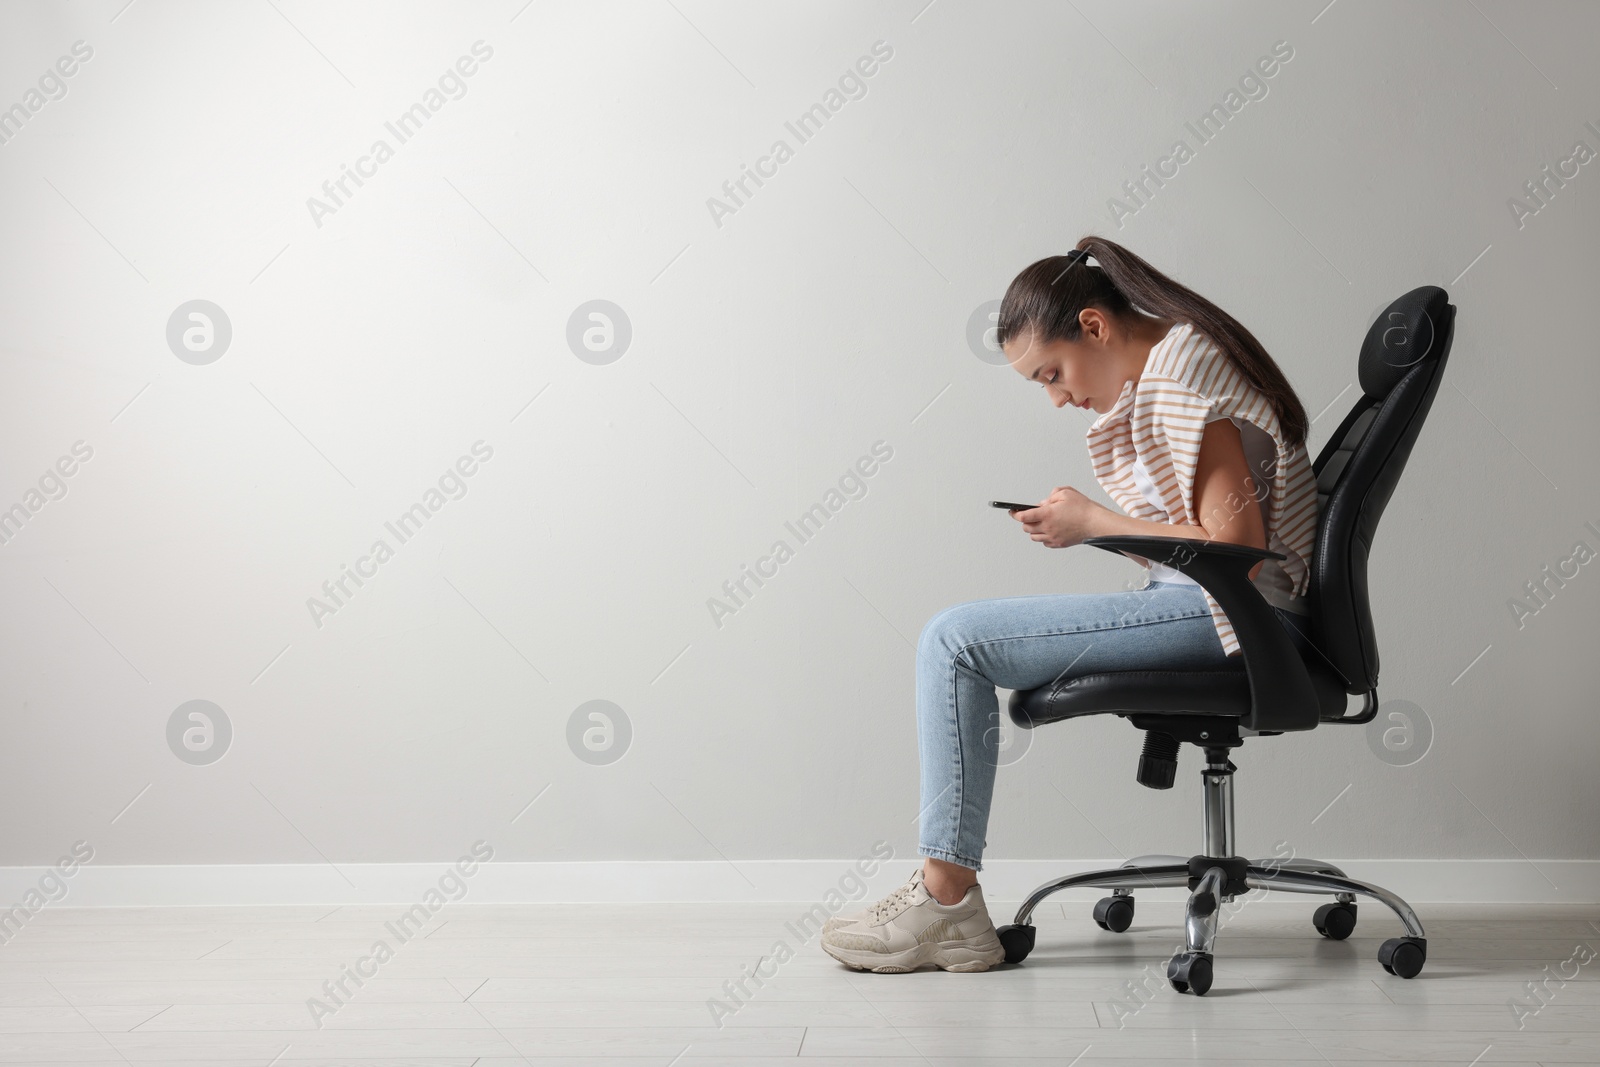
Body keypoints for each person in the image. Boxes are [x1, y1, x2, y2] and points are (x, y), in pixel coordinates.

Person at [820, 235, 1321, 973]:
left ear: (1093, 326)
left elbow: (1236, 548)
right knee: (955, 641)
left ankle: (948, 902)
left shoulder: (1183, 375)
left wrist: (1100, 521)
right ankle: (946, 897)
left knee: (953, 641)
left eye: (1051, 373)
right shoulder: (1171, 366)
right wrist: (1092, 529)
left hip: (1235, 615)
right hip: (1209, 603)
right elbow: (1210, 540)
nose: (1056, 396)